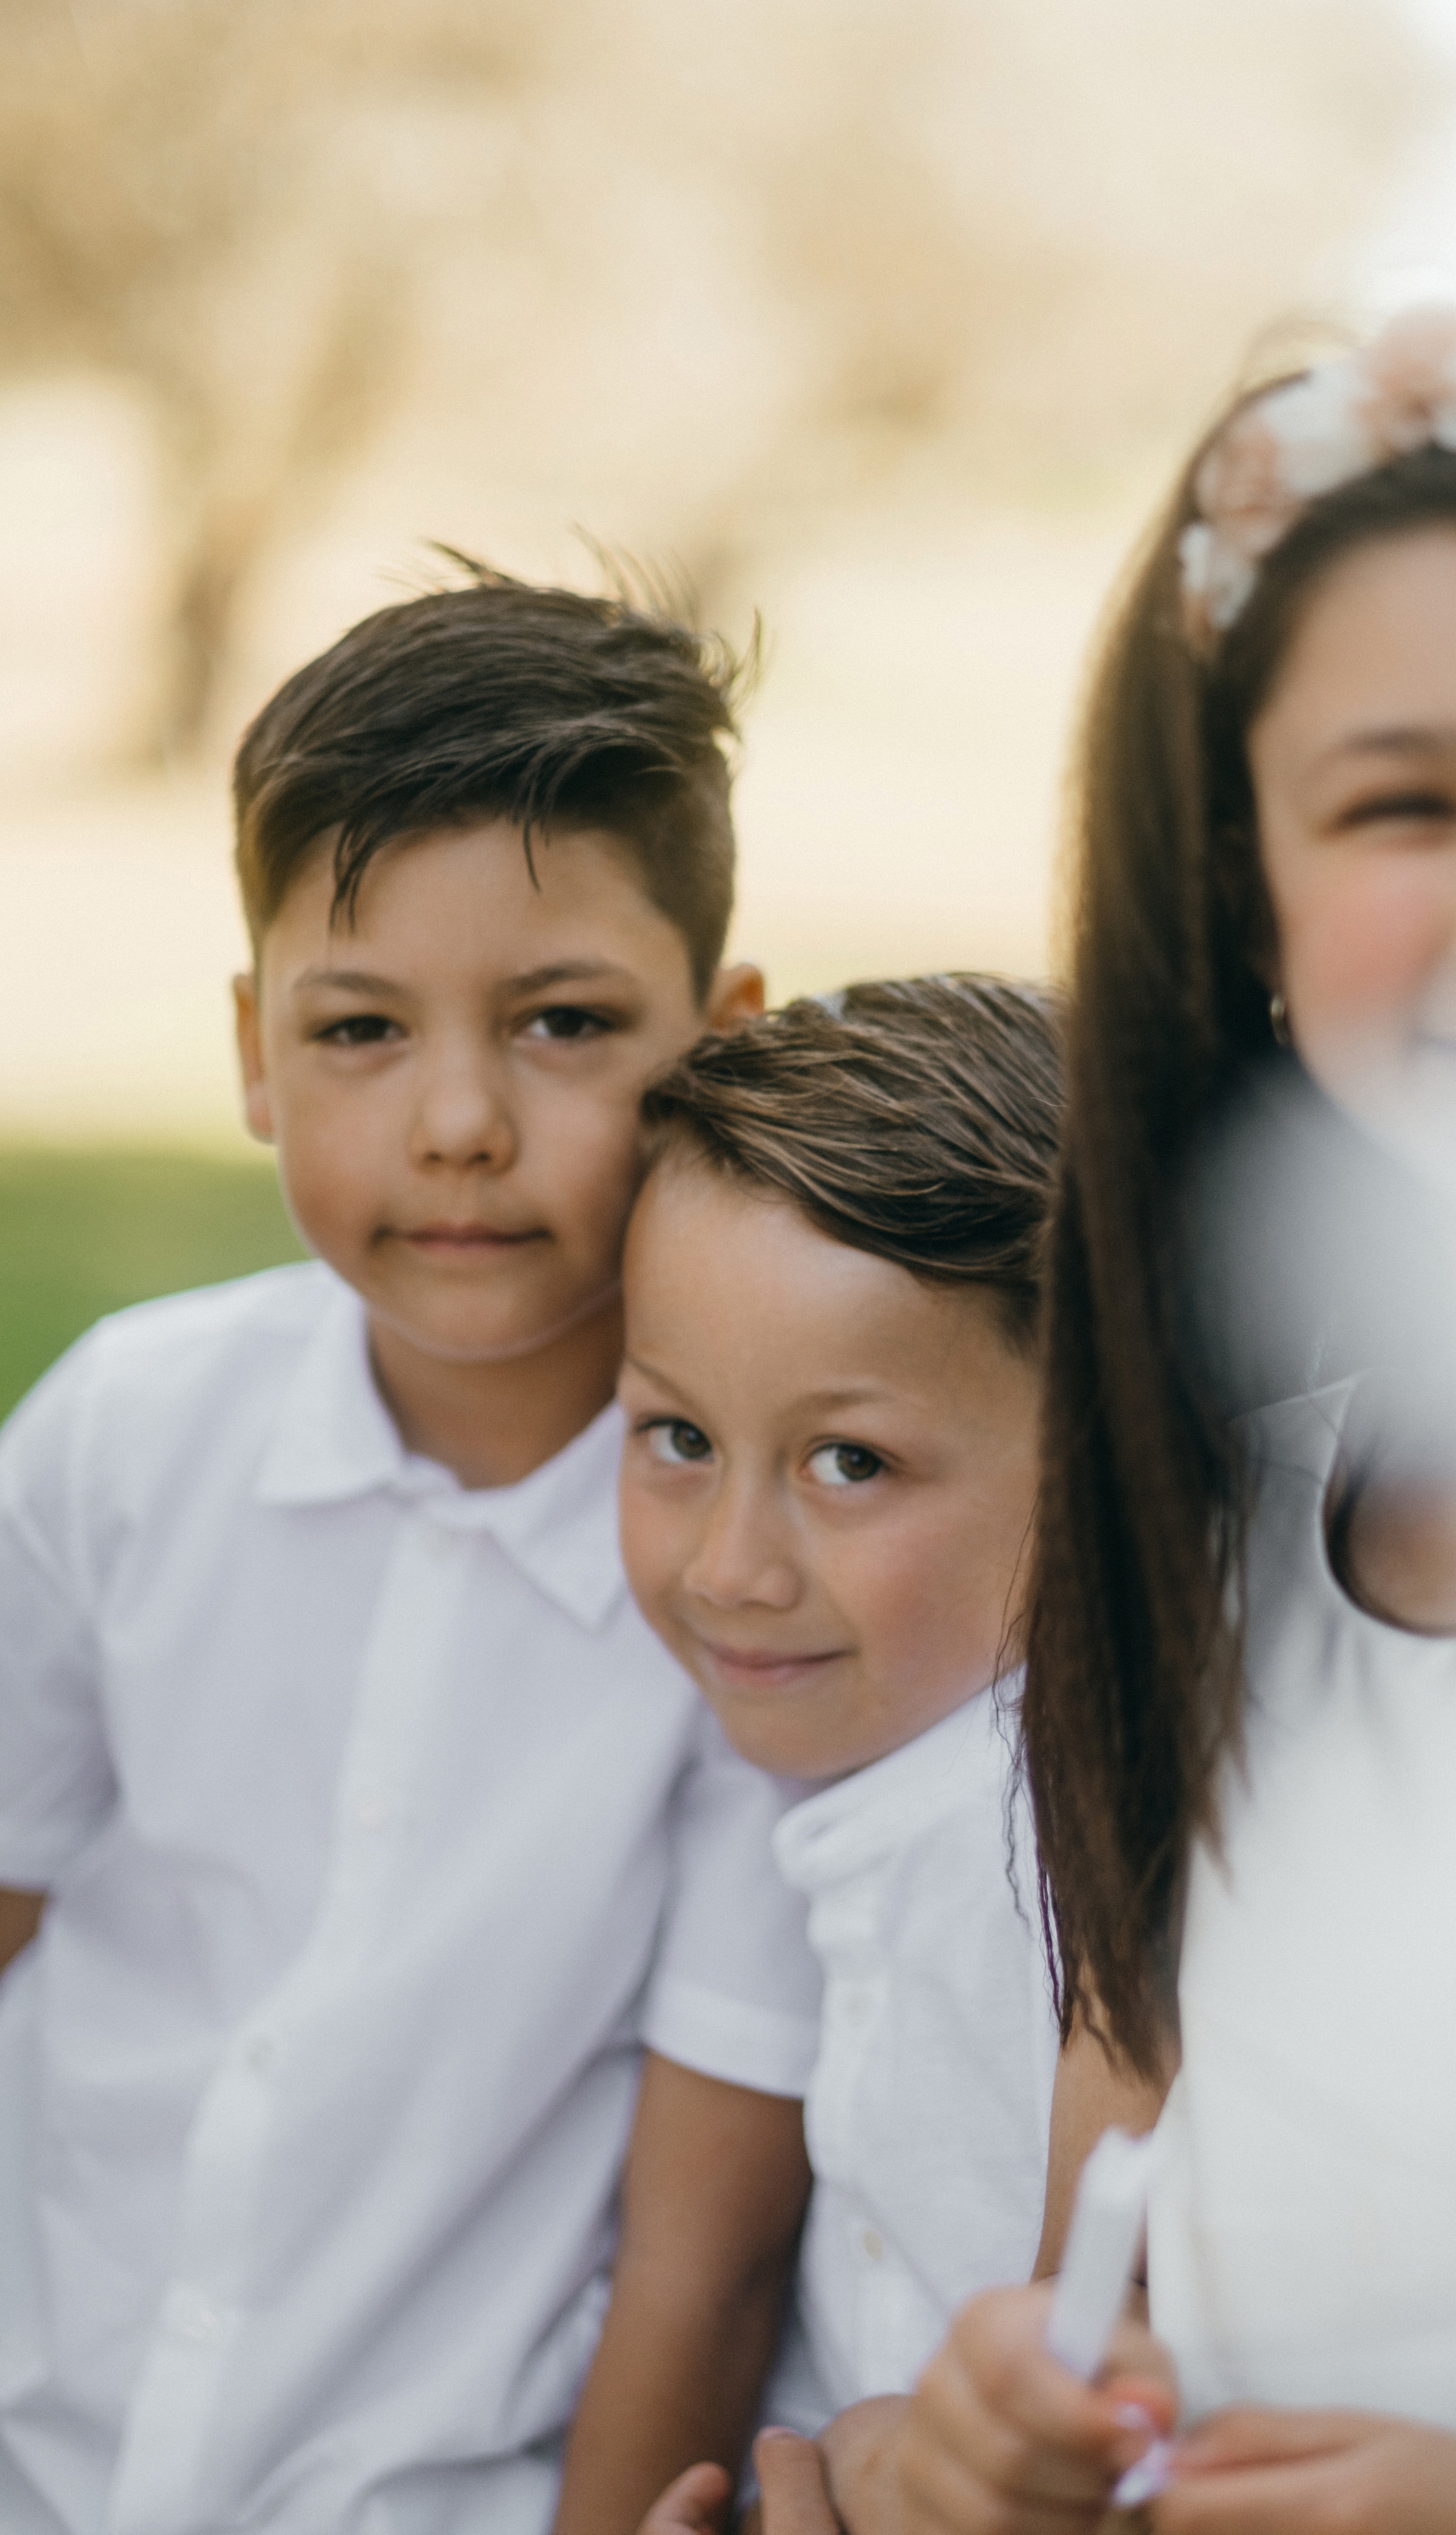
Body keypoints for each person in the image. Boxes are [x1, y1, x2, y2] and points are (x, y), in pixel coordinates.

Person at [0, 562, 825, 2535]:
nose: (462, 1120)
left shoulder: (762, 1594)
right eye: (360, 1028)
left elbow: (704, 2249)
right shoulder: (124, 1440)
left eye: (566, 1022)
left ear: (721, 1036)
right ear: (253, 1046)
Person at [896, 301, 1456, 2530]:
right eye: (1403, 804)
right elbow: (1100, 2266)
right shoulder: (1217, 1542)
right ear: (1246, 891)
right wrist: (1006, 2424)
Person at [616, 977, 1148, 2535]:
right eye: (677, 1438)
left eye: (849, 1463)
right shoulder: (894, 1778)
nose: (728, 1566)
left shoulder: (1058, 1860)